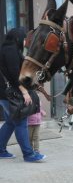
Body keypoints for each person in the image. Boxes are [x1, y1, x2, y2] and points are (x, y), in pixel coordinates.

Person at [0, 28, 46, 162]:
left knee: (10, 123)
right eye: (24, 37)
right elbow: (14, 75)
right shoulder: (11, 51)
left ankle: (1, 149)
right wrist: (25, 92)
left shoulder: (6, 49)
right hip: (10, 94)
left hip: (5, 94)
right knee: (21, 122)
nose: (25, 40)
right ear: (17, 38)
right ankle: (29, 155)